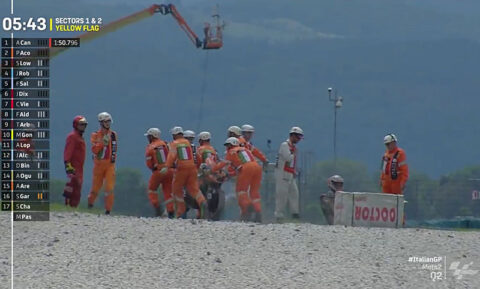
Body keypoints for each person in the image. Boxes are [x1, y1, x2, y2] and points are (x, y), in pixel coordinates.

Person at [162, 126, 208, 218]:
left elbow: (172, 155)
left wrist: (166, 166)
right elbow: (198, 158)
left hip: (181, 169)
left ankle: (180, 212)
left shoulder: (174, 143)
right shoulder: (188, 143)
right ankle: (202, 202)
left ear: (174, 135)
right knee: (194, 189)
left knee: (176, 190)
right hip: (192, 169)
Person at [213, 137, 263, 222]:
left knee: (241, 191)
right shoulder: (245, 150)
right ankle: (258, 211)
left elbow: (222, 164)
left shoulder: (231, 152)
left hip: (246, 168)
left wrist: (213, 169)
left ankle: (247, 208)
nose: (227, 147)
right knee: (254, 192)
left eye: (228, 145)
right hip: (257, 167)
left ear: (231, 145)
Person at [87, 112, 118, 215]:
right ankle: (90, 203)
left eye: (109, 121)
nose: (108, 123)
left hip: (110, 165)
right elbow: (94, 150)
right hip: (99, 165)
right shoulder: (95, 135)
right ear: (101, 122)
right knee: (96, 188)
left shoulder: (113, 135)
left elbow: (114, 150)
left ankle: (108, 210)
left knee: (109, 187)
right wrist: (101, 144)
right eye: (106, 121)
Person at [274, 126, 303, 222]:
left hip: (290, 174)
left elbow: (292, 162)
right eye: (298, 137)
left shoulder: (293, 147)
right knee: (282, 195)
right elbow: (288, 158)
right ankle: (279, 215)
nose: (299, 140)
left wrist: (294, 171)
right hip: (282, 174)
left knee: (294, 194)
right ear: (292, 135)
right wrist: (294, 153)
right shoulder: (285, 145)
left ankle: (295, 214)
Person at [144, 128, 174, 218]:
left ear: (152, 136)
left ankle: (158, 208)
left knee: (151, 189)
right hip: (170, 170)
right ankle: (171, 212)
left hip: (158, 171)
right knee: (168, 192)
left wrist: (154, 169)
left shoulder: (150, 147)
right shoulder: (166, 144)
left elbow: (149, 164)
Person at [63, 116, 87, 207]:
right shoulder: (72, 137)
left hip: (80, 167)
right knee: (72, 186)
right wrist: (67, 164)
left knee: (78, 187)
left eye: (84, 125)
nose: (83, 126)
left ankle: (73, 207)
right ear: (76, 125)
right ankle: (68, 205)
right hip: (73, 166)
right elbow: (68, 151)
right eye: (81, 124)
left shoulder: (80, 137)